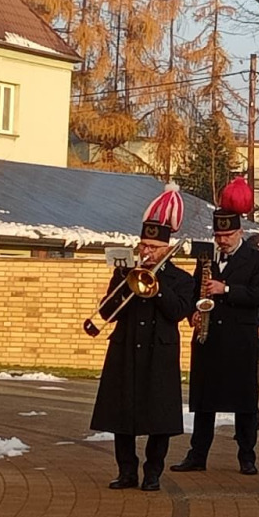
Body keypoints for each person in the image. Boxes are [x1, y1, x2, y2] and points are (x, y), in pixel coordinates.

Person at [172, 176, 259, 475]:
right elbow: (195, 291)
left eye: (227, 235)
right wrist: (194, 310)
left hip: (239, 339)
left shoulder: (256, 260)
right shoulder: (206, 258)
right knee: (204, 401)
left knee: (244, 402)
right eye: (219, 235)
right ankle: (197, 454)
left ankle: (247, 456)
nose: (222, 240)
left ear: (239, 232)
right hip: (208, 338)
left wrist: (226, 290)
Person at [90, 187, 192, 492]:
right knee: (122, 415)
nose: (146, 251)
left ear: (165, 248)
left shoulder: (181, 280)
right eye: (143, 245)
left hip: (158, 354)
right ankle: (126, 471)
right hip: (126, 349)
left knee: (158, 418)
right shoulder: (126, 274)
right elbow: (108, 311)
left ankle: (153, 472)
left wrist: (157, 288)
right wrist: (126, 283)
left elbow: (177, 311)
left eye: (153, 246)